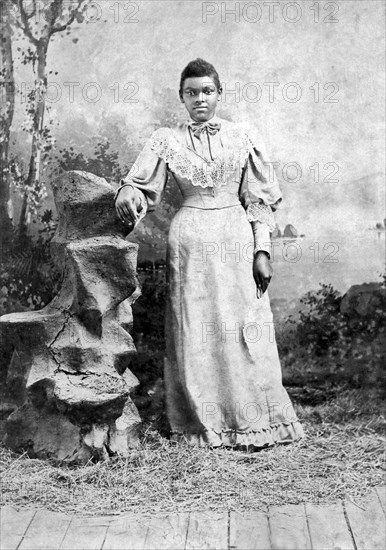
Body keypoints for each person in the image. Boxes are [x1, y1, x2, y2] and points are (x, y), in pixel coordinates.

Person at [115, 58, 305, 449]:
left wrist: (262, 250)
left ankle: (254, 420)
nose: (199, 98)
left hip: (235, 236)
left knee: (244, 328)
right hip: (190, 240)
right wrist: (127, 192)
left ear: (219, 94)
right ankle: (204, 424)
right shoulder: (165, 139)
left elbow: (259, 201)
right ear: (181, 98)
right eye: (191, 92)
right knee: (195, 330)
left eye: (207, 91)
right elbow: (138, 183)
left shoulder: (242, 135)